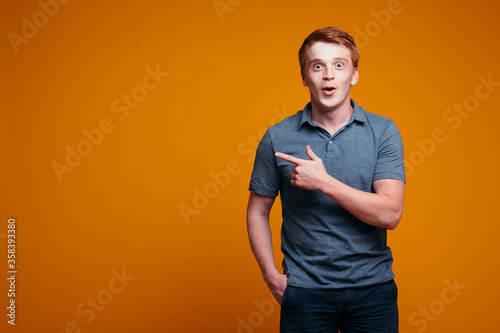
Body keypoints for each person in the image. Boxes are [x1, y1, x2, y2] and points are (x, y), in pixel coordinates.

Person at [246, 26, 406, 332]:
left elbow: (390, 213)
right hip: (304, 293)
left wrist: (324, 182)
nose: (328, 75)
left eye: (339, 65)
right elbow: (257, 211)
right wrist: (270, 275)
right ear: (305, 77)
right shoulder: (277, 137)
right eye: (317, 66)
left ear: (354, 75)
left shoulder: (383, 132)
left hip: (374, 291)